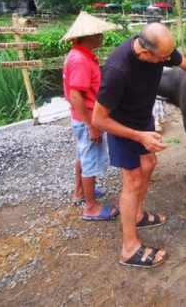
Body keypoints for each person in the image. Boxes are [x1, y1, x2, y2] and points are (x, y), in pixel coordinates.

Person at [92, 22, 186, 268]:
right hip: (121, 125)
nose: (169, 60)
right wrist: (139, 136)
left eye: (169, 55)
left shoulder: (161, 51)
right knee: (133, 178)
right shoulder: (118, 69)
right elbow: (98, 119)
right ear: (146, 53)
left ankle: (137, 215)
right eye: (164, 58)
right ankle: (129, 248)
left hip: (142, 119)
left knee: (148, 163)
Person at [62, 11, 120, 221]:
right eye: (99, 33)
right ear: (89, 36)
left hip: (81, 117)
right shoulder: (80, 60)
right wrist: (92, 124)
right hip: (85, 117)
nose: (101, 37)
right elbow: (76, 95)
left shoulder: (78, 55)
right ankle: (91, 207)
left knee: (82, 156)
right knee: (89, 160)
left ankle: (80, 192)